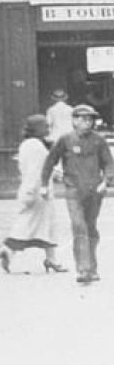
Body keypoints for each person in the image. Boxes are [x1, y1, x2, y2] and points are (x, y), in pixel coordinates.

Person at [40, 103, 114, 284]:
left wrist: (106, 182)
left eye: (90, 119)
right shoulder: (65, 140)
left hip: (95, 190)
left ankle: (92, 267)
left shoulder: (99, 141)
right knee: (78, 226)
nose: (87, 123)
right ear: (74, 120)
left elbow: (108, 163)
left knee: (90, 227)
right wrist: (43, 184)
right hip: (73, 189)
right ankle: (83, 269)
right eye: (83, 119)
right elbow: (50, 162)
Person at [0, 115, 66, 274]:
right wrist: (37, 189)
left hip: (33, 189)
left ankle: (49, 258)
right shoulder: (36, 146)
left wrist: (55, 174)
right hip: (38, 191)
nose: (48, 129)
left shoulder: (27, 145)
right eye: (45, 126)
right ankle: (10, 249)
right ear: (36, 129)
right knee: (36, 224)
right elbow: (36, 170)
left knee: (37, 223)